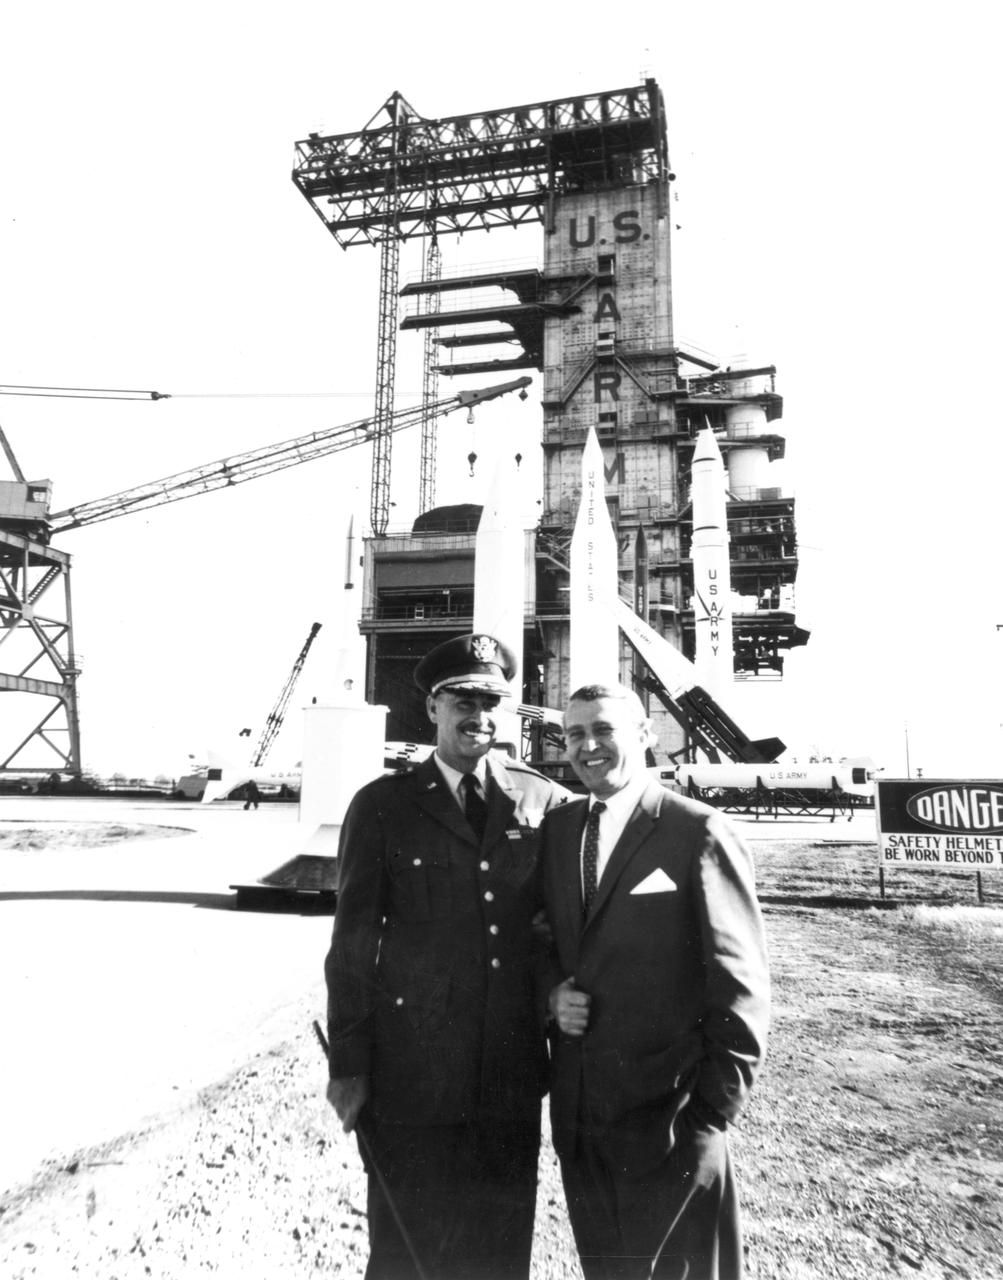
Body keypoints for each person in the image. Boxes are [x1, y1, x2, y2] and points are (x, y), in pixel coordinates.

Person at [324, 634, 571, 1280]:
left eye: (490, 701)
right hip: (412, 1068)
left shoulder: (541, 801)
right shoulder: (382, 807)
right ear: (432, 708)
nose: (477, 715)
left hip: (509, 1068)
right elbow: (351, 947)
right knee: (406, 1242)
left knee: (499, 1241)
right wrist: (349, 1065)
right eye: (461, 699)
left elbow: (567, 924)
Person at [540, 684, 770, 1280]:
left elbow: (740, 988)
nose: (588, 746)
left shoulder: (697, 832)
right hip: (582, 1117)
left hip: (670, 1123)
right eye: (574, 734)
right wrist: (550, 994)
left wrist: (710, 1116)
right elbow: (546, 939)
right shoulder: (561, 829)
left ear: (645, 736)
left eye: (604, 730)